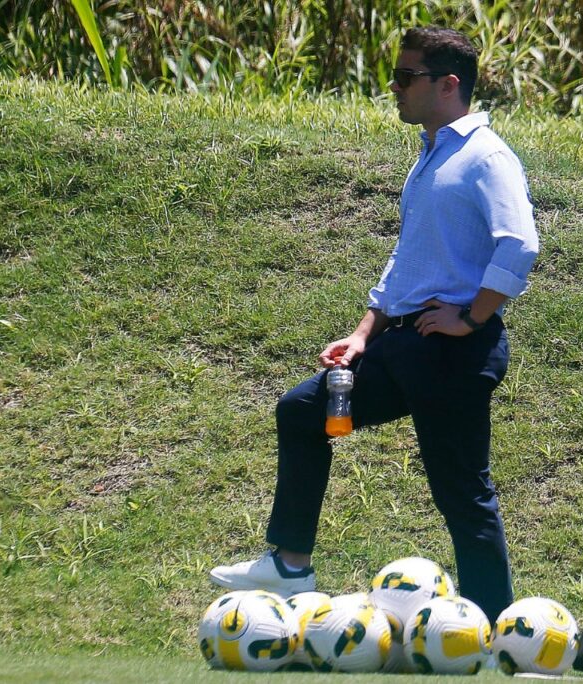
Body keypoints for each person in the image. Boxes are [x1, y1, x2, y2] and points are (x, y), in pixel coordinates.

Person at [209, 26, 538, 623]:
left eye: (407, 77)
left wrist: (471, 317)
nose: (395, 87)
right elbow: (409, 258)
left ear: (448, 84)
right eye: (397, 75)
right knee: (303, 411)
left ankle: (494, 626)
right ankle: (289, 565)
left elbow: (518, 245)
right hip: (406, 344)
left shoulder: (486, 155)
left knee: (462, 494)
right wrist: (364, 332)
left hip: (452, 353)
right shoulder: (433, 155)